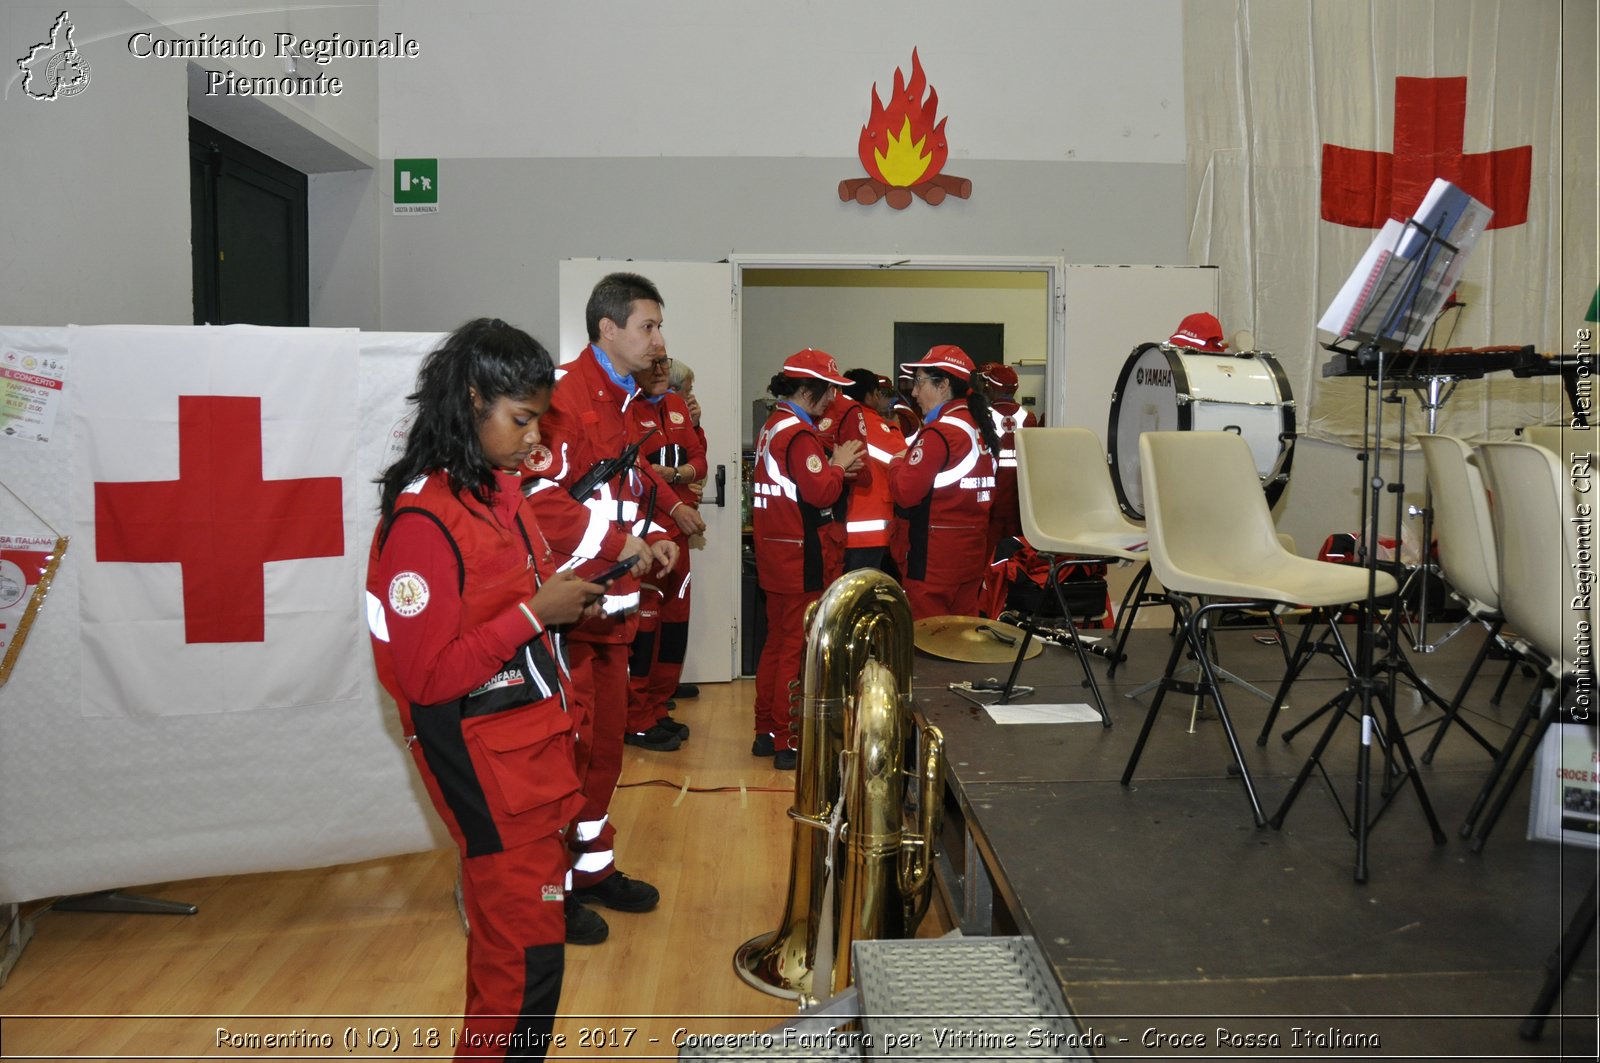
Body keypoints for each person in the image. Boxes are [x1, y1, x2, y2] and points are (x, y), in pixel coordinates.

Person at [365, 318, 609, 1058]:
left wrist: (564, 600)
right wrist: (539, 611)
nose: (535, 440)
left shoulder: (495, 493)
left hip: (529, 766)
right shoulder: (424, 522)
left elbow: (508, 611)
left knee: (525, 966)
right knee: (522, 972)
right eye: (522, 419)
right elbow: (427, 676)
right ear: (472, 400)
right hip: (489, 774)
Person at [523, 272, 703, 942]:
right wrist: (619, 541)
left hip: (614, 607)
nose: (659, 340)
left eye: (659, 327)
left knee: (603, 751)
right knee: (560, 757)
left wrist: (656, 528)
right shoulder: (564, 400)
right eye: (648, 326)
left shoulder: (625, 400)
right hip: (569, 613)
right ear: (607, 329)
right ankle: (550, 890)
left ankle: (592, 867)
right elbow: (540, 503)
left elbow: (625, 482)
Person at [751, 349, 864, 770]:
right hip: (803, 556)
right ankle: (788, 739)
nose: (833, 399)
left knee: (776, 644)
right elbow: (820, 493)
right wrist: (836, 466)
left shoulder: (771, 426)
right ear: (806, 389)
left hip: (778, 553)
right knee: (795, 651)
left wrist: (830, 468)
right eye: (829, 389)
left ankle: (766, 731)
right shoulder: (797, 435)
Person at [626, 348, 705, 744]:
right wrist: (674, 500)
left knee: (674, 625)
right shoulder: (627, 410)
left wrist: (676, 473)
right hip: (644, 534)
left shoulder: (676, 405)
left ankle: (658, 707)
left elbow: (700, 462)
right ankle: (636, 716)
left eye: (663, 365)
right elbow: (640, 472)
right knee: (645, 627)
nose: (658, 371)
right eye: (652, 365)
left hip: (679, 537)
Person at [888, 345, 1002, 619]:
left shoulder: (940, 434)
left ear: (944, 386)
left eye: (919, 383)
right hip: (969, 558)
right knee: (962, 644)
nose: (914, 393)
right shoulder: (978, 429)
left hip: (933, 564)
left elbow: (905, 492)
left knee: (928, 649)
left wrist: (896, 462)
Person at [838, 368, 906, 572]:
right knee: (862, 595)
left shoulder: (835, 418)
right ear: (869, 395)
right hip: (868, 529)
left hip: (840, 527)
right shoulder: (872, 423)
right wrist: (895, 429)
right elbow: (904, 459)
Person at [975, 362, 1038, 560]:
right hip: (1020, 499)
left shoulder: (982, 416)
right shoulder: (1029, 418)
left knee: (989, 556)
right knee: (1016, 554)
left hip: (992, 498)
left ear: (991, 388)